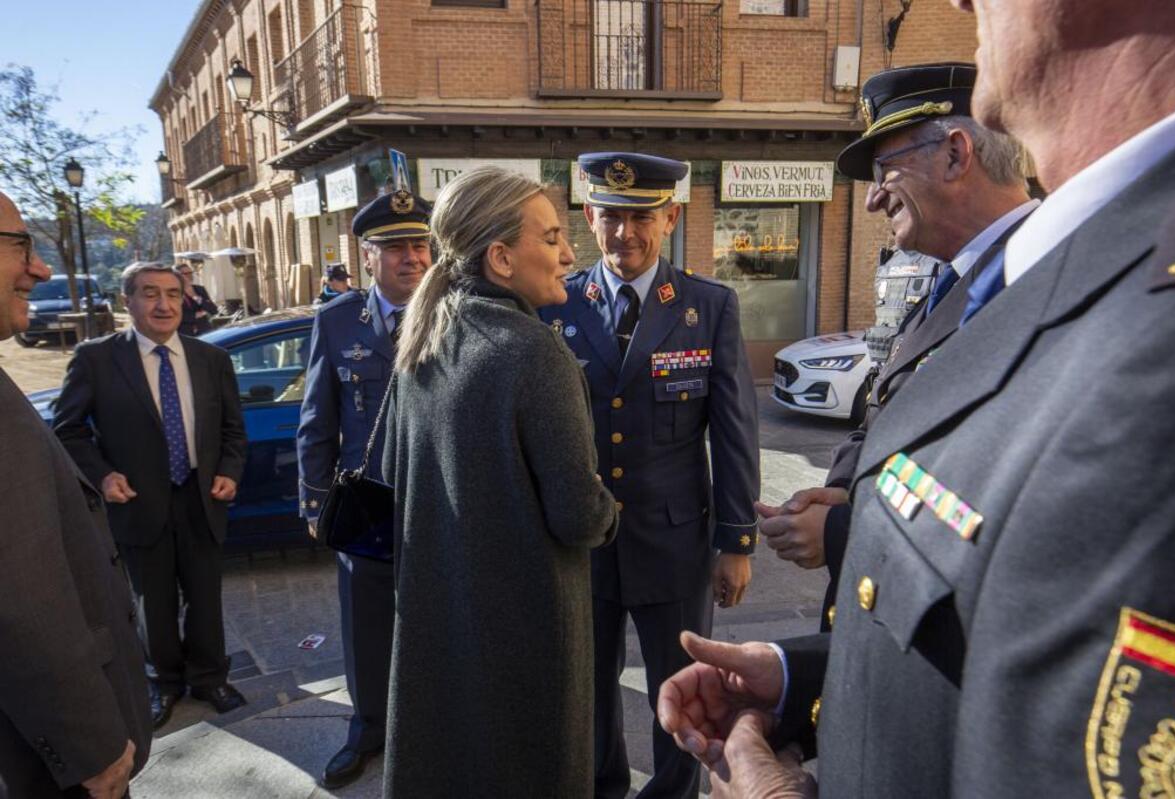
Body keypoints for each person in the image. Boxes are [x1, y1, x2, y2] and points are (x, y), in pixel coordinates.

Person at [658, 0, 1175, 795]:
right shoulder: (1084, 265)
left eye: (885, 170)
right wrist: (793, 676)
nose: (957, 3)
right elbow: (978, 640)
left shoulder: (1162, 328)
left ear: (954, 157)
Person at [756, 63, 1036, 630]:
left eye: (886, 171)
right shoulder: (951, 277)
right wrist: (841, 491)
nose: (872, 202)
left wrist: (843, 531)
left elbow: (1009, 506)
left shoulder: (1039, 278)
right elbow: (891, 415)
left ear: (956, 155)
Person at [381, 165, 618, 797]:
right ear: (501, 257)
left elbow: (389, 475)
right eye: (550, 238)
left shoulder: (423, 339)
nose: (571, 254)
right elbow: (578, 515)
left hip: (440, 624)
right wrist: (604, 502)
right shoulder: (533, 351)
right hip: (526, 636)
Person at [540, 152, 760, 799]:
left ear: (670, 216)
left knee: (684, 689)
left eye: (640, 216)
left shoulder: (708, 306)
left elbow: (735, 430)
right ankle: (604, 789)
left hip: (675, 545)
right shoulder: (556, 306)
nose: (624, 233)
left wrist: (737, 541)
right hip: (582, 548)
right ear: (588, 216)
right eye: (610, 216)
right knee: (588, 690)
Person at [0, 191, 153, 798]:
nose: (39, 269)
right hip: (57, 762)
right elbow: (19, 590)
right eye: (20, 245)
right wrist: (87, 742)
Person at [54, 262, 249, 730]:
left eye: (172, 294)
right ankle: (162, 682)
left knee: (206, 598)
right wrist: (102, 476)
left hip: (201, 499)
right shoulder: (96, 359)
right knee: (152, 603)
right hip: (138, 502)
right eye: (149, 294)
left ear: (185, 300)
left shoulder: (210, 359)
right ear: (128, 302)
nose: (163, 304)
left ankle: (208, 677)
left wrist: (229, 471)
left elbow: (232, 431)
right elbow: (68, 429)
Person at [296, 189, 433, 789]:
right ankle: (368, 729)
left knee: (439, 622)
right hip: (368, 505)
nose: (412, 258)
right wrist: (314, 501)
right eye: (397, 247)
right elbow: (316, 419)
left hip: (441, 501)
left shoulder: (456, 312)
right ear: (368, 255)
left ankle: (433, 730)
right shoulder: (335, 319)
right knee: (367, 627)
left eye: (420, 245)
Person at [175, 261, 218, 336]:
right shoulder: (174, 292)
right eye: (186, 274)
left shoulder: (199, 289)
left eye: (190, 273)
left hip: (205, 331)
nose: (190, 276)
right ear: (178, 276)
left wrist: (195, 296)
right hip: (186, 333)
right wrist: (194, 316)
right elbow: (175, 315)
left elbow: (213, 310)